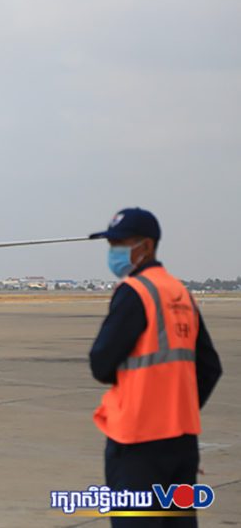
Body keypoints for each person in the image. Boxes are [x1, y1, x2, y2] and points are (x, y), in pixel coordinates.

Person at [89, 208, 221, 527]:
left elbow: (101, 363)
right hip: (181, 441)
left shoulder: (135, 292)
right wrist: (178, 413)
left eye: (119, 243)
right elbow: (210, 367)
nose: (113, 252)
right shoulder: (180, 292)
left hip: (137, 442)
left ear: (146, 246)